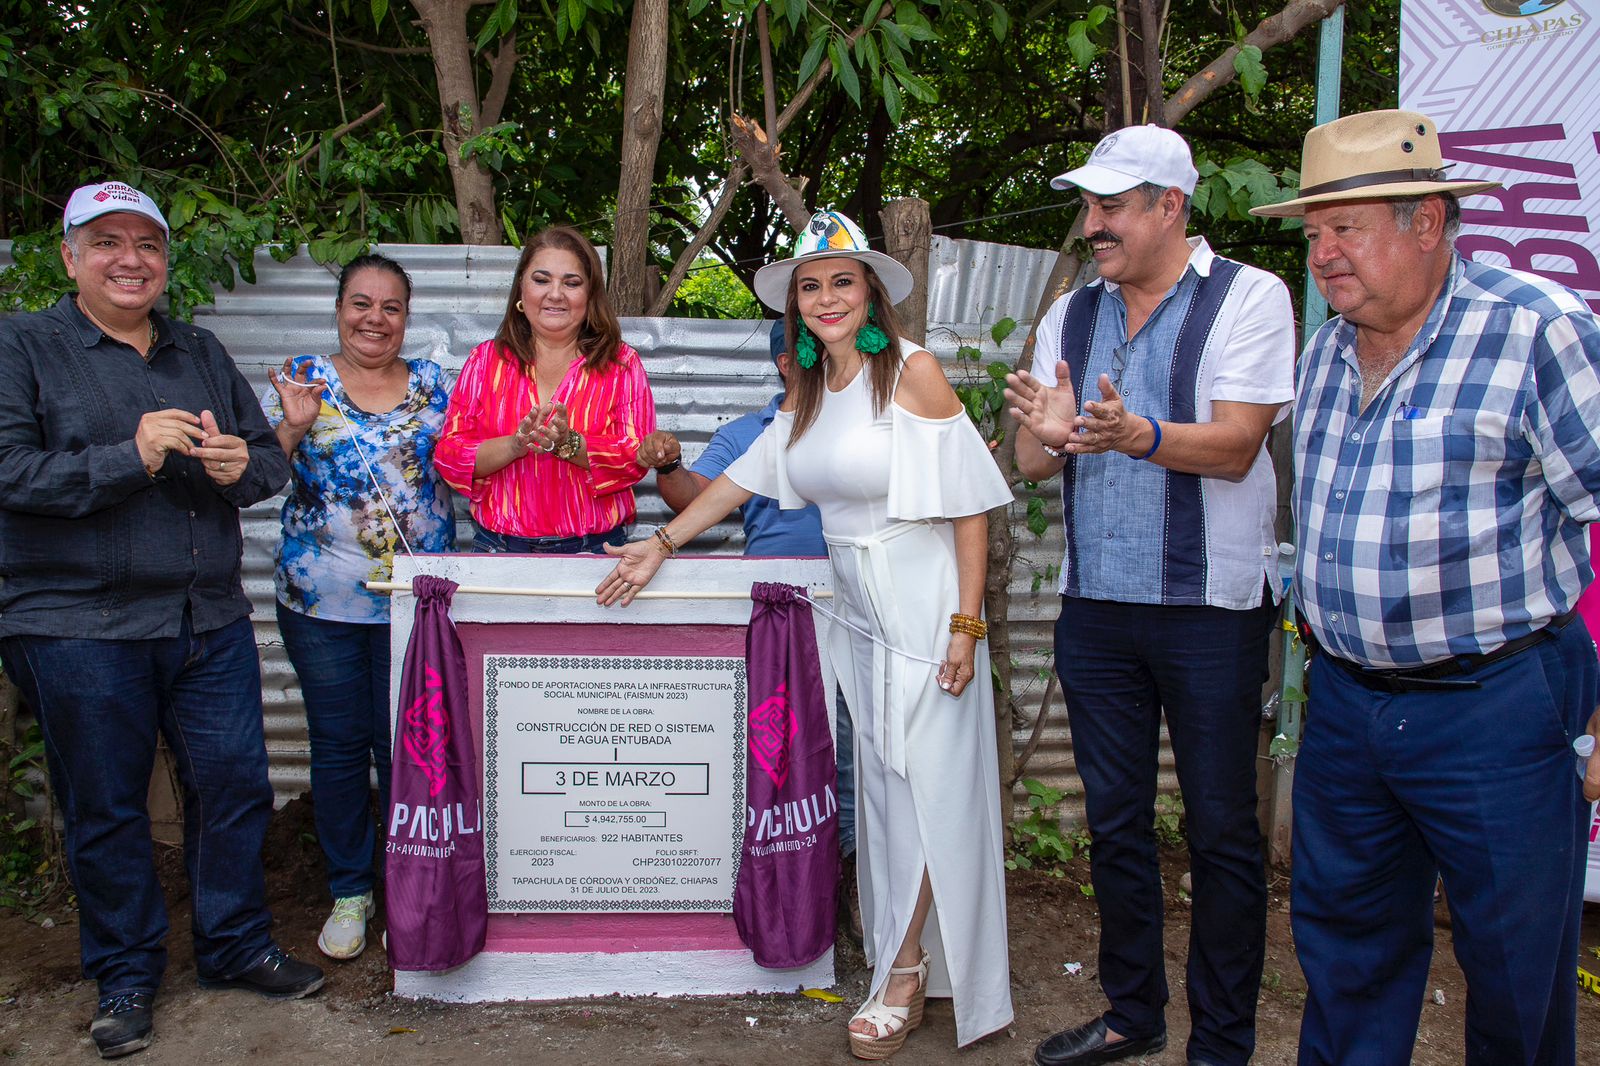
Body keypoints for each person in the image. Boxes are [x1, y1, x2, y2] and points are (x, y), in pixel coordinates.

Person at [598, 210, 1014, 1060]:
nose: (826, 298)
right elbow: (740, 479)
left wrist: (966, 627)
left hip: (926, 604)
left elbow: (971, 506)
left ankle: (903, 973)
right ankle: (910, 958)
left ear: (870, 294)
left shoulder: (913, 373)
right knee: (887, 794)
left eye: (841, 282)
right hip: (859, 611)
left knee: (929, 790)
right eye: (810, 286)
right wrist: (661, 543)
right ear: (796, 306)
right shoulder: (812, 391)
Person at [1249, 109, 1600, 1066]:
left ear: (1429, 223)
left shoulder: (1537, 330)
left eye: (1345, 228)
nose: (1322, 253)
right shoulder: (1326, 352)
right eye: (1313, 231)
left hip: (1498, 707)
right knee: (1345, 957)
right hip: (1348, 706)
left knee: (1515, 970)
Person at [0, 181, 323, 1060]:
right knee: (105, 805)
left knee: (235, 786)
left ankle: (234, 944)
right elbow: (11, 473)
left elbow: (265, 469)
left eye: (147, 243)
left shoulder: (199, 350)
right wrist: (130, 456)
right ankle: (127, 972)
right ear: (70, 256)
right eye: (107, 241)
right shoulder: (24, 346)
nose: (130, 259)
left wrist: (240, 466)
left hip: (205, 617)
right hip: (78, 623)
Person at [1006, 125, 1296, 1066]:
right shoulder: (1070, 314)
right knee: (1115, 824)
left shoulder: (1250, 296)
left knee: (1221, 831)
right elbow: (1032, 461)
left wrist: (1136, 435)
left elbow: (1239, 445)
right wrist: (1051, 432)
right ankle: (1134, 1014)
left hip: (1212, 609)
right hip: (1098, 609)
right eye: (1088, 207)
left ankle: (1222, 1043)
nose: (1093, 225)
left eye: (1112, 206)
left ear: (1171, 206)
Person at [636, 318, 860, 939]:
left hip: (856, 606)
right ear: (787, 364)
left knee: (850, 746)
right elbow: (693, 499)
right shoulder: (745, 434)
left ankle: (849, 879)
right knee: (772, 744)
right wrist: (670, 463)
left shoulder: (863, 424)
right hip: (777, 616)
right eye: (813, 348)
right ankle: (772, 875)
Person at [260, 253, 455, 962]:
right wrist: (291, 425)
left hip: (416, 605)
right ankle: (350, 889)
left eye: (391, 306)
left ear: (407, 316)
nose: (375, 318)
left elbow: (470, 466)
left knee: (407, 747)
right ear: (339, 308)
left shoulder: (436, 385)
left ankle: (410, 884)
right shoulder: (302, 377)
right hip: (321, 604)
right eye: (361, 303)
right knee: (340, 746)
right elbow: (256, 475)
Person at [434, 226, 655, 553]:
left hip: (596, 553)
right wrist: (515, 445)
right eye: (541, 280)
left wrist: (567, 443)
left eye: (572, 283)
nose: (555, 294)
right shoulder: (485, 361)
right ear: (521, 289)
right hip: (499, 550)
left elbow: (637, 457)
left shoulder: (621, 364)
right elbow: (450, 455)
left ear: (590, 295)